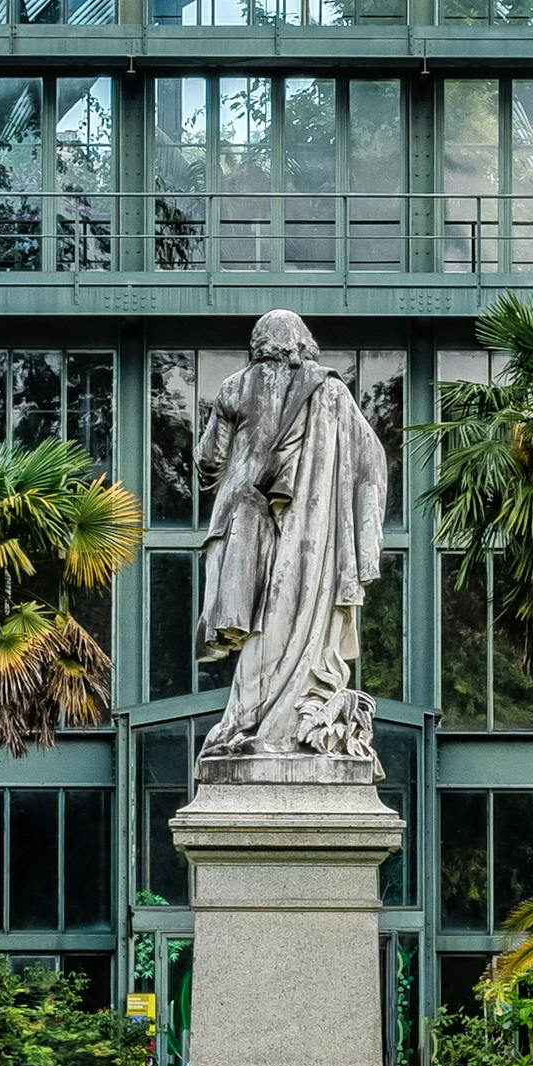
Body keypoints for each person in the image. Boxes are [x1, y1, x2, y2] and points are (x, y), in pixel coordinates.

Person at [193, 309, 389, 777]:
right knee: (290, 615)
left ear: (259, 343)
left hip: (243, 519)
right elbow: (370, 459)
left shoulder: (236, 387)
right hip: (311, 539)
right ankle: (277, 716)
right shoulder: (332, 391)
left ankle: (251, 720)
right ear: (303, 343)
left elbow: (207, 461)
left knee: (254, 624)